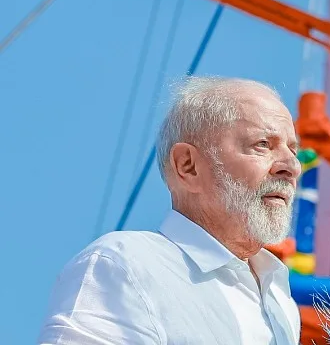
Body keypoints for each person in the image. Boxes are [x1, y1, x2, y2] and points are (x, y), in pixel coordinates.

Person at [38, 76, 303, 344]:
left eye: (293, 150)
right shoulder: (126, 265)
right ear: (188, 166)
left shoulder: (281, 301)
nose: (292, 167)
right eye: (263, 144)